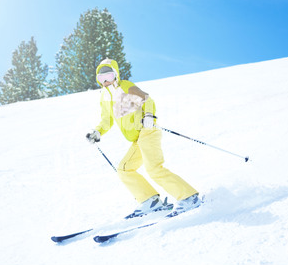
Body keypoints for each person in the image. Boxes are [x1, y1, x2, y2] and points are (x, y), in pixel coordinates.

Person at [86, 58, 201, 218]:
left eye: (109, 76)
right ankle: (150, 201)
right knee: (125, 169)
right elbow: (107, 120)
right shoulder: (104, 97)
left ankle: (189, 198)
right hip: (137, 139)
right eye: (101, 78)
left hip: (147, 131)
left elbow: (147, 99)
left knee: (153, 168)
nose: (105, 81)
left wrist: (149, 116)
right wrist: (97, 132)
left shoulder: (125, 86)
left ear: (116, 75)